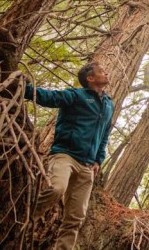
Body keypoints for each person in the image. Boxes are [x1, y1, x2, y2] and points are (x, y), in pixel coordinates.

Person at [25, 61, 113, 250]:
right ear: (90, 78)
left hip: (87, 166)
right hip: (65, 155)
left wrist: (99, 159)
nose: (106, 73)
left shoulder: (108, 104)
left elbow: (105, 133)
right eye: (101, 71)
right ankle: (21, 221)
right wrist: (24, 88)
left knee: (75, 217)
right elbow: (48, 97)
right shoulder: (76, 95)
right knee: (57, 188)